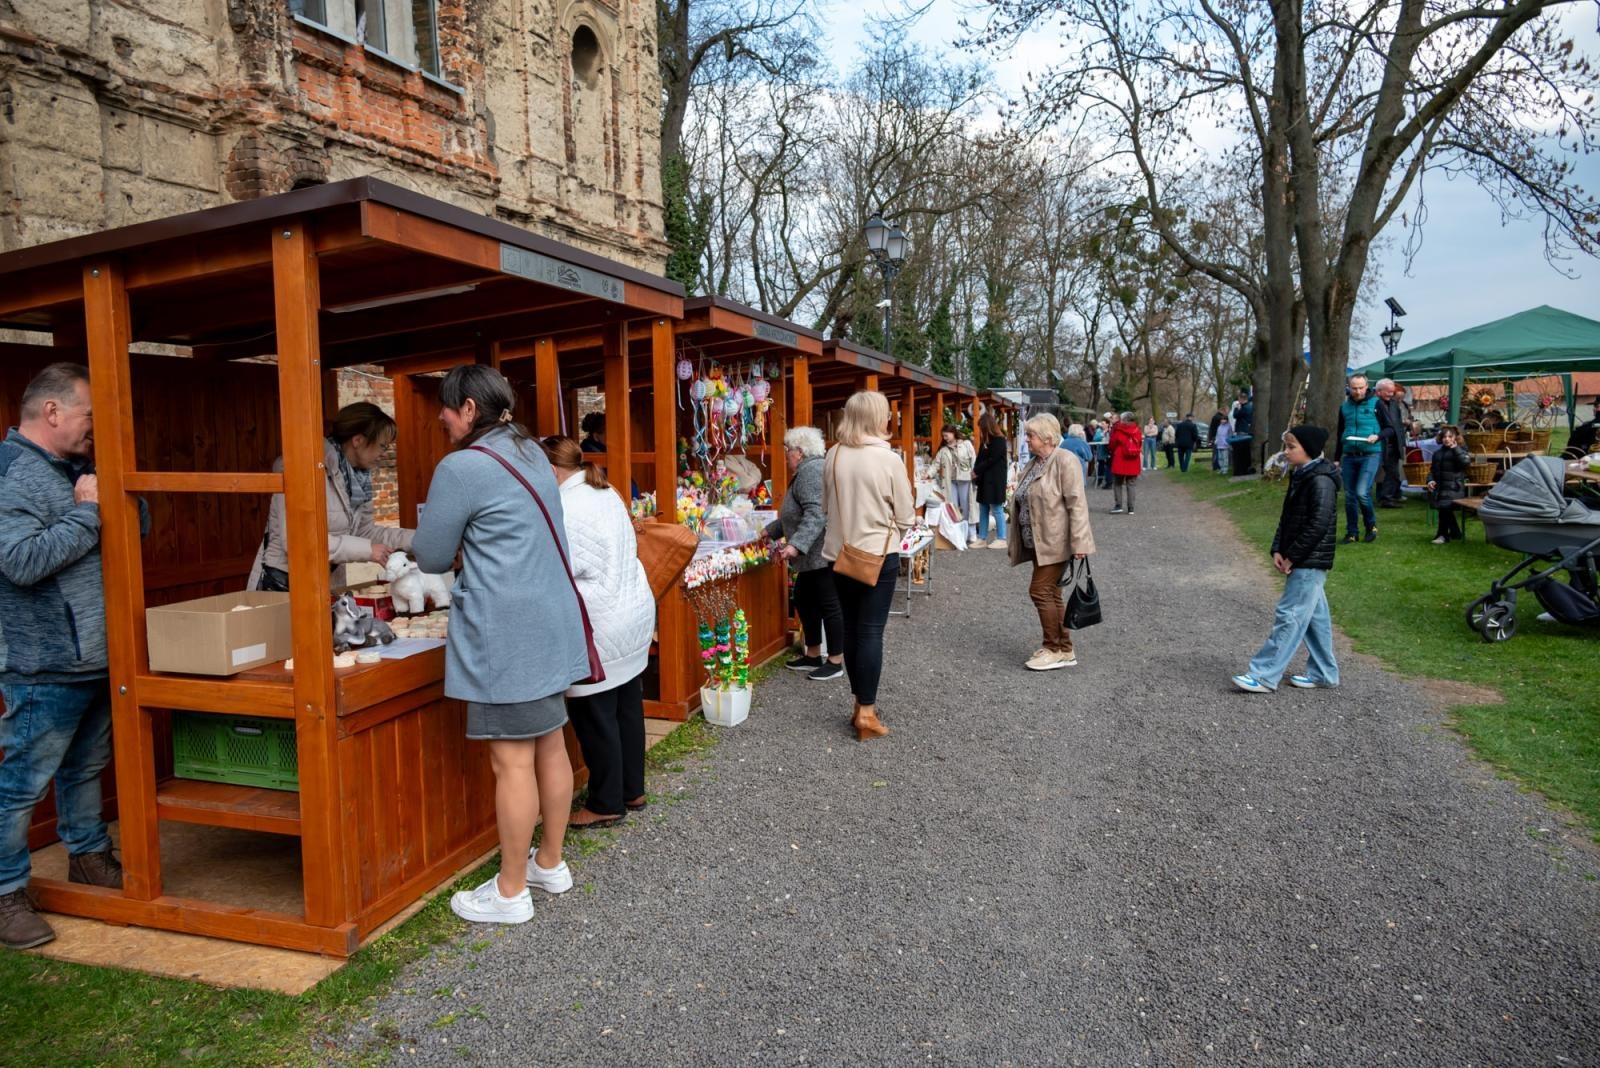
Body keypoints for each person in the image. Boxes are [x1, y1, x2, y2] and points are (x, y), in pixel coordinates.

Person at [413, 365, 589, 924]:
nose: (440, 417)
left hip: (505, 632)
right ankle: (549, 863)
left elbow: (431, 556)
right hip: (551, 619)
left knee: (511, 762)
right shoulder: (533, 452)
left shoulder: (462, 467)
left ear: (468, 409)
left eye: (445, 407)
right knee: (551, 746)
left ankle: (511, 892)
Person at [0, 363, 151, 949]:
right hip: (43, 663)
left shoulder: (76, 469)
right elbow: (20, 562)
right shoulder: (12, 474)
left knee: (85, 768)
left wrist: (108, 489)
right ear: (53, 411)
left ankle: (88, 857)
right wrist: (86, 511)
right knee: (19, 785)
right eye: (90, 415)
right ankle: (8, 894)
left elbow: (131, 533)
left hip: (95, 656)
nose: (97, 427)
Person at [539, 435, 655, 830]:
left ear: (551, 471)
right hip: (630, 611)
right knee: (626, 706)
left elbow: (558, 569)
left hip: (599, 620)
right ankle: (631, 788)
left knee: (595, 714)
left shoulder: (566, 508)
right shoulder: (605, 492)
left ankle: (606, 800)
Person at [822, 391, 913, 741]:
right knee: (871, 631)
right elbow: (905, 515)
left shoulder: (833, 454)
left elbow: (828, 506)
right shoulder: (888, 459)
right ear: (878, 418)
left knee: (850, 629)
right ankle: (867, 712)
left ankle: (859, 704)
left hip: (839, 555)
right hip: (877, 554)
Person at [248, 401, 413, 592]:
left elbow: (364, 532)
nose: (384, 454)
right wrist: (368, 550)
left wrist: (417, 541)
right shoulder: (305, 468)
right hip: (284, 586)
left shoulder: (358, 479)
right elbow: (299, 542)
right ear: (358, 440)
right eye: (382, 446)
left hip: (324, 584)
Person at [1231, 425, 1341, 693]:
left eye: (1292, 447)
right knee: (1315, 619)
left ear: (1310, 450)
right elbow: (1288, 517)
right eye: (1286, 446)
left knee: (1290, 615)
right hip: (1301, 557)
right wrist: (1278, 548)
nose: (1286, 452)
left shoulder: (1321, 481)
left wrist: (1294, 556)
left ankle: (1264, 674)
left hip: (1309, 561)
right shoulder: (1302, 475)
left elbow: (1319, 524)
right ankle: (1324, 673)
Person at [1007, 413, 1096, 671]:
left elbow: (1077, 504)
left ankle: (1053, 648)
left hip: (1056, 542)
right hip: (1039, 541)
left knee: (1039, 590)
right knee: (1052, 593)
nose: (1027, 440)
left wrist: (1080, 543)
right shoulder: (1036, 462)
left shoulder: (1064, 461)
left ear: (1046, 438)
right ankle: (1063, 648)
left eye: (1030, 436)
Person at [767, 427, 844, 679]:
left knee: (828, 603)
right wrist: (769, 531)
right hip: (812, 553)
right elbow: (795, 514)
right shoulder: (808, 470)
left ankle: (834, 661)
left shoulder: (810, 471)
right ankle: (813, 654)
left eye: (788, 451)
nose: (786, 456)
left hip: (819, 553)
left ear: (799, 452)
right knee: (805, 599)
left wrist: (795, 545)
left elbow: (815, 514)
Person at [1334, 373, 1383, 544]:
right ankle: (1352, 532)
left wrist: (1377, 436)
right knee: (1349, 496)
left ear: (1367, 385)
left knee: (1362, 492)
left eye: (1361, 387)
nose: (1357, 391)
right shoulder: (1344, 407)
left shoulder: (1377, 404)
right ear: (1349, 387)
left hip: (1370, 454)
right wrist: (1336, 458)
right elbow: (1340, 433)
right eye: (1354, 388)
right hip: (1349, 456)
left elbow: (1391, 428)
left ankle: (1371, 526)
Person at [1426, 425, 1473, 544]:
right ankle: (1456, 533)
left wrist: (1456, 449)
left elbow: (1465, 463)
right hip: (1440, 488)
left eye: (1450, 436)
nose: (1447, 439)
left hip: (1454, 488)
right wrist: (1430, 480)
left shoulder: (1461, 451)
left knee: (1444, 508)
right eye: (1444, 437)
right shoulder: (1437, 453)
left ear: (1455, 438)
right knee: (1444, 509)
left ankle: (1442, 535)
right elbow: (1432, 470)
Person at [971, 412, 1012, 549]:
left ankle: (1002, 538)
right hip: (985, 480)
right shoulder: (985, 441)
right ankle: (982, 538)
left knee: (997, 508)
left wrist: (976, 470)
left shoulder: (999, 440)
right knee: (983, 507)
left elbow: (991, 460)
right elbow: (980, 458)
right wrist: (975, 470)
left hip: (995, 480)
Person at [1374, 378, 1409, 508]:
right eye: (1388, 392)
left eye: (1392, 392)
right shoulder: (1375, 404)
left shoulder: (1393, 404)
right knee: (1387, 473)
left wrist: (1401, 441)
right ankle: (1385, 498)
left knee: (1393, 473)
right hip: (1382, 443)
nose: (1391, 394)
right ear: (1379, 391)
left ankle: (1387, 497)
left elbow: (1398, 424)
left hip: (1394, 444)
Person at [1108, 412, 1143, 515]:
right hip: (1133, 459)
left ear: (1123, 420)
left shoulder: (1118, 429)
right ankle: (1131, 508)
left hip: (1120, 458)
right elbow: (1139, 443)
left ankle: (1118, 506)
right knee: (1131, 484)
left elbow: (1112, 444)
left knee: (1118, 483)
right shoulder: (1137, 430)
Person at [954, 428, 977, 544]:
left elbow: (973, 459)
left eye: (946, 435)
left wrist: (974, 474)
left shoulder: (966, 444)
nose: (944, 438)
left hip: (965, 478)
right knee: (954, 507)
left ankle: (971, 532)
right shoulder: (945, 447)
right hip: (952, 479)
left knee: (967, 505)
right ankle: (958, 534)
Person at [933, 425, 959, 511]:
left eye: (946, 435)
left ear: (953, 433)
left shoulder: (964, 445)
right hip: (951, 481)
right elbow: (935, 464)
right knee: (953, 505)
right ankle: (956, 524)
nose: (944, 438)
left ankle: (968, 524)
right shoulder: (943, 450)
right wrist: (928, 474)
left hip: (964, 480)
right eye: (943, 436)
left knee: (965, 505)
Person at [1230, 391, 1255, 476]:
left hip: (1242, 430)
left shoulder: (1244, 408)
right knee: (1245, 451)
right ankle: (1245, 468)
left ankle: (1240, 470)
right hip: (1247, 430)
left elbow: (1235, 415)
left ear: (1241, 399)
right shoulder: (1250, 407)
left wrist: (1236, 408)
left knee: (1240, 451)